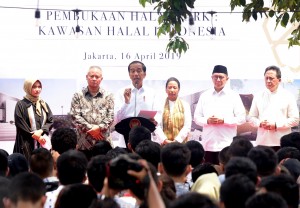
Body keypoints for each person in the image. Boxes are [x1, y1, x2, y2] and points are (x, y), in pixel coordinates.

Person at [194, 65, 246, 164]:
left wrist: (224, 120)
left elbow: (241, 118)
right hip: (208, 143)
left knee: (226, 174)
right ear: (211, 78)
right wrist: (207, 120)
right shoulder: (204, 96)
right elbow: (197, 118)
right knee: (210, 173)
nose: (218, 79)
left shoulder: (234, 96)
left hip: (227, 144)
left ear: (227, 78)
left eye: (221, 77)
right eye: (215, 77)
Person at [248, 65, 299, 150]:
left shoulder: (288, 96)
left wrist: (276, 125)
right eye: (266, 78)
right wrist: (260, 123)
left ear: (279, 80)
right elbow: (251, 117)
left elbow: (295, 119)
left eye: (271, 78)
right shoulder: (258, 95)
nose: (268, 81)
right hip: (262, 142)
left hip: (282, 143)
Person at [69, 66, 114, 160]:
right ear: (86, 77)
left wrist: (99, 128)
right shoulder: (78, 95)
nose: (94, 79)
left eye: (97, 77)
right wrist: (92, 129)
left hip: (103, 142)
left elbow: (110, 116)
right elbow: (74, 116)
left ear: (101, 79)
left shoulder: (108, 96)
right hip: (83, 143)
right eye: (91, 76)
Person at [114, 61, 158, 146]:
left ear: (144, 74)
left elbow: (158, 113)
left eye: (139, 70)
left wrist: (155, 120)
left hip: (146, 133)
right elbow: (117, 118)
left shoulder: (152, 93)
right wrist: (126, 102)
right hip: (126, 135)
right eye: (132, 71)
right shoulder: (121, 92)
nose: (135, 74)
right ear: (129, 74)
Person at [13, 79, 53, 161]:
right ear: (27, 88)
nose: (37, 89)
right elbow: (20, 123)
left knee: (42, 168)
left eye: (39, 87)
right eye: (34, 87)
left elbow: (50, 120)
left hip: (42, 143)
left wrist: (41, 131)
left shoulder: (44, 104)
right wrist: (36, 136)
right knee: (26, 168)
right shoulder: (21, 104)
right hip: (25, 144)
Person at [154, 77, 192, 145]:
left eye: (174, 87)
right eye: (169, 87)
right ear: (166, 90)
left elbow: (187, 126)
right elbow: (156, 125)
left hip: (180, 144)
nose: (172, 90)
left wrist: (177, 141)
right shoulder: (160, 105)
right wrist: (164, 140)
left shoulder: (185, 105)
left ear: (178, 89)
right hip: (164, 144)